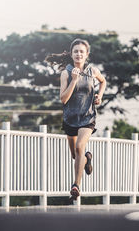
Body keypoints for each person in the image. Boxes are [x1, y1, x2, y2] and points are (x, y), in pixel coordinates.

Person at [45, 38, 106, 201]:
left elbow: (103, 82)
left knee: (80, 146)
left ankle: (76, 186)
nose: (79, 54)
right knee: (75, 154)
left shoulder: (93, 71)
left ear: (87, 54)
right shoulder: (66, 73)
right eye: (76, 51)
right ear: (71, 55)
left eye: (82, 51)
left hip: (88, 117)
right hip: (71, 118)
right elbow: (63, 99)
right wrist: (74, 80)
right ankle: (87, 158)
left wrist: (99, 96)